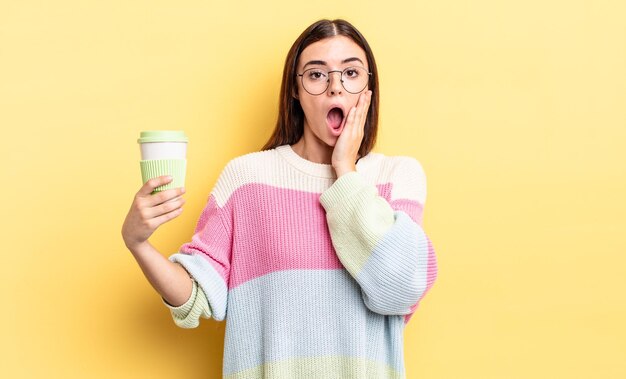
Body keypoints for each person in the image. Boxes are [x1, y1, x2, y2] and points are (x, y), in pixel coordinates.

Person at [122, 19, 438, 379]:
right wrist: (138, 243)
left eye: (350, 72)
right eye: (317, 75)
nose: (336, 88)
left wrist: (345, 171)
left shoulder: (397, 177)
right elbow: (196, 296)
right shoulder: (247, 179)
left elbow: (398, 289)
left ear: (369, 88)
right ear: (295, 89)